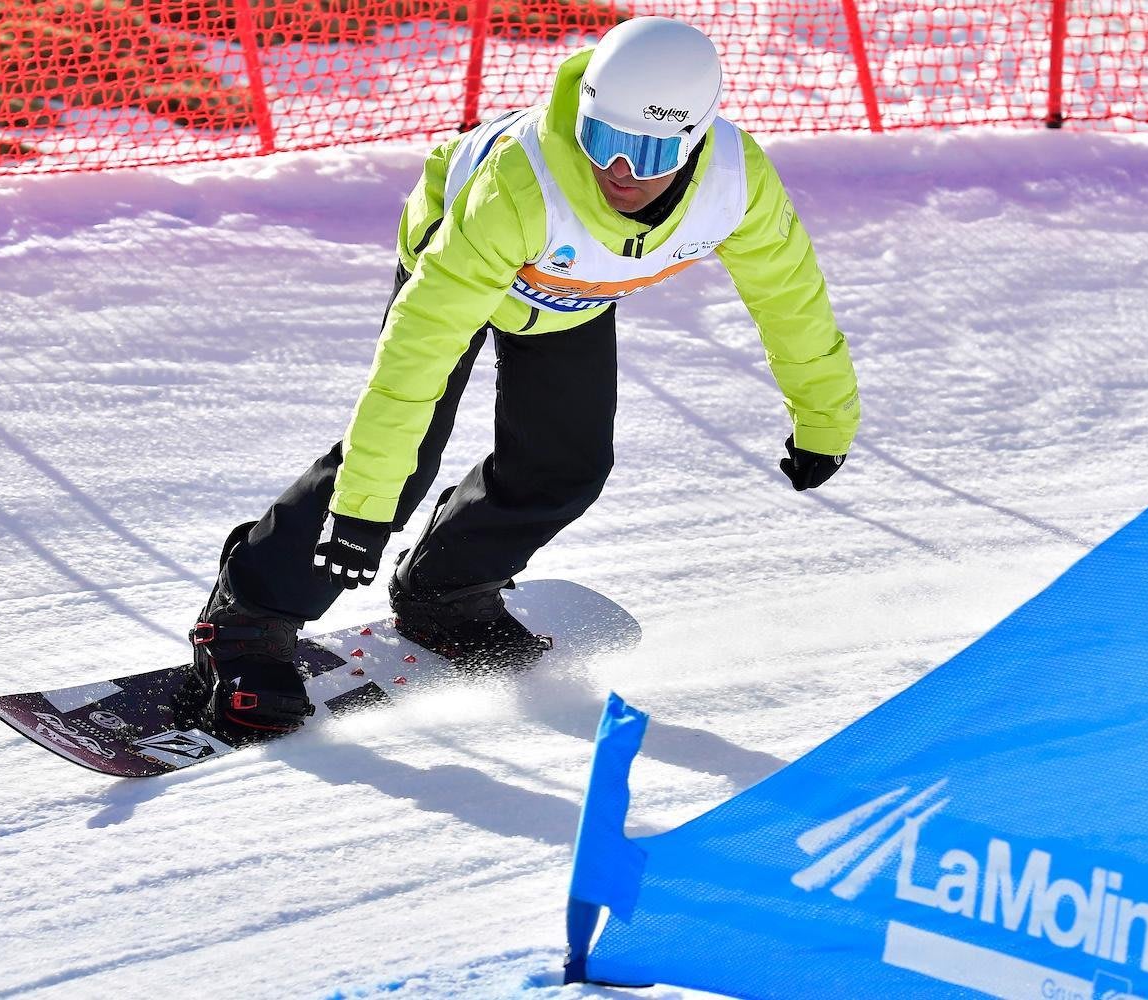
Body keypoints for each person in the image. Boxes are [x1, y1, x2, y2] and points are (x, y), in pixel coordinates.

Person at [186, 16, 861, 738]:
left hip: (571, 294)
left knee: (565, 465)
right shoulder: (521, 185)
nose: (620, 172)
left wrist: (824, 421)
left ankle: (444, 590)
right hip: (461, 266)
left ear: (695, 138)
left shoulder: (736, 183)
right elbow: (414, 360)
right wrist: (358, 513)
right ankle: (248, 616)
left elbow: (791, 300)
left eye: (647, 150)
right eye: (603, 140)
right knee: (398, 465)